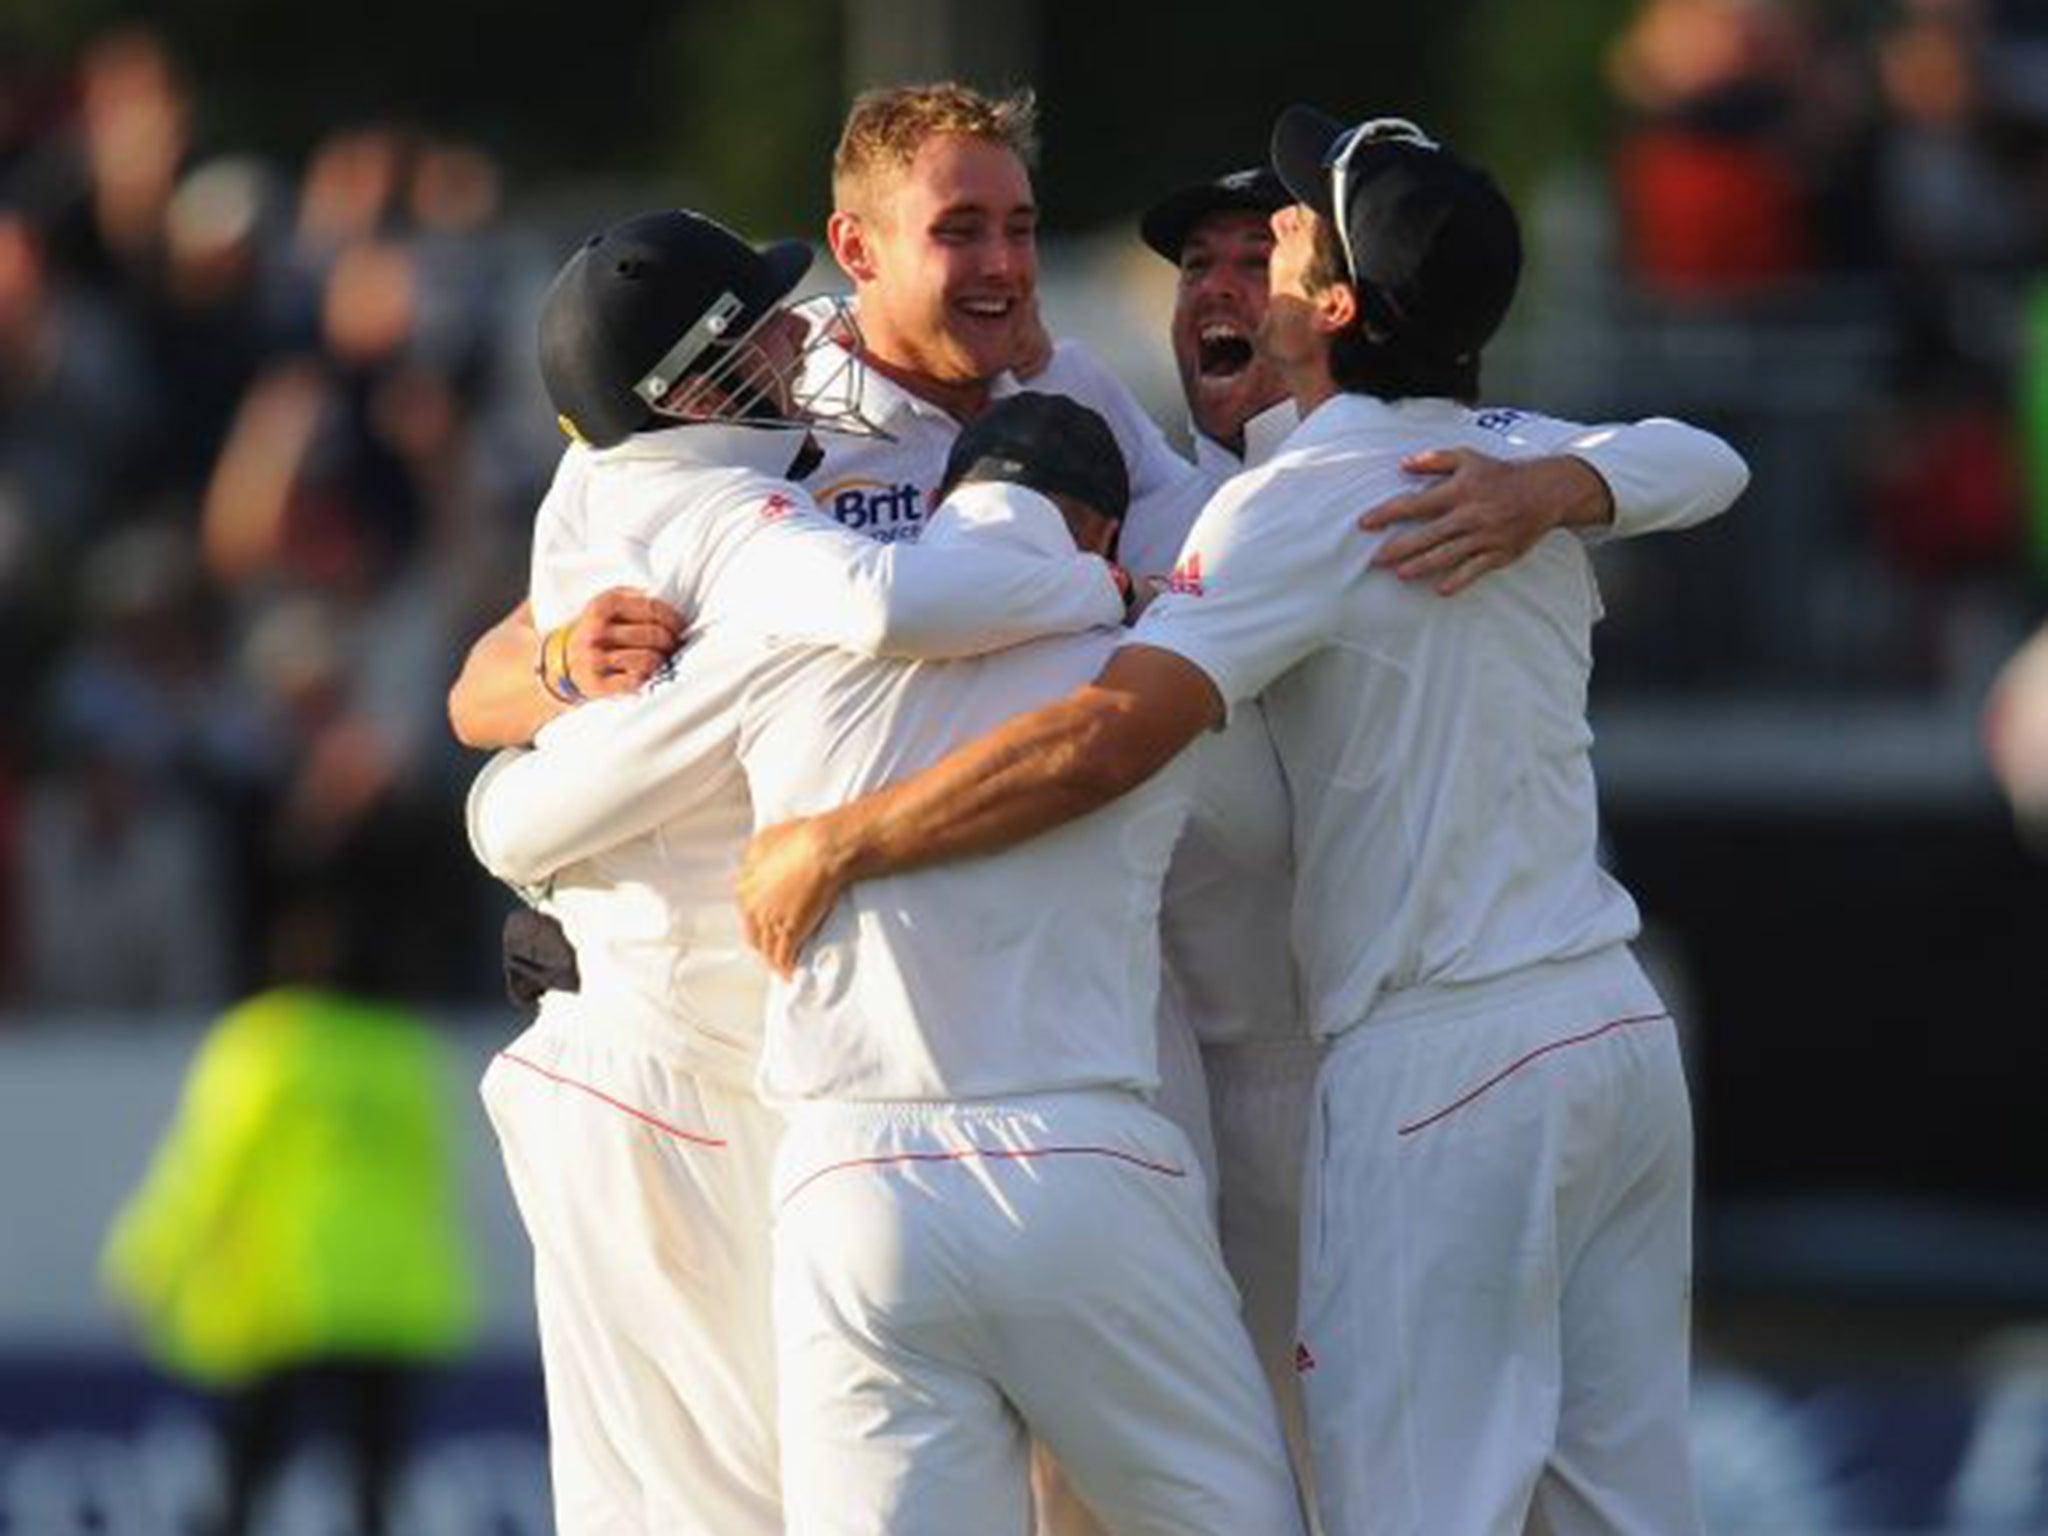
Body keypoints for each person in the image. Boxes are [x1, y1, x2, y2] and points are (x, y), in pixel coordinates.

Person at [735, 110, 1726, 1536]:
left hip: (1428, 1064)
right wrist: (1566, 486)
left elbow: (1101, 738)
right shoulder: (1507, 450)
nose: (1237, 272)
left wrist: (843, 841)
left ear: (1331, 305)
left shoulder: (1290, 511)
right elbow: (1706, 457)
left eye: (1275, 241)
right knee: (1620, 1510)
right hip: (1611, 1031)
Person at [467, 391, 1306, 1536]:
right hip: (1081, 1160)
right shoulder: (1135, 653)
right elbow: (1262, 838)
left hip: (848, 1186)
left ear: (944, 503)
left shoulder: (788, 645)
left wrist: (534, 721)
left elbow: (518, 827)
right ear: (1101, 533)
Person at [101, 890, 476, 1536]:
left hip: (289, 1298)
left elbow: (206, 1169)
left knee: (244, 1485)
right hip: (394, 1302)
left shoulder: (267, 1042)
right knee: (376, 1499)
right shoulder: (405, 1051)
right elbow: (434, 1174)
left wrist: (144, 1264)